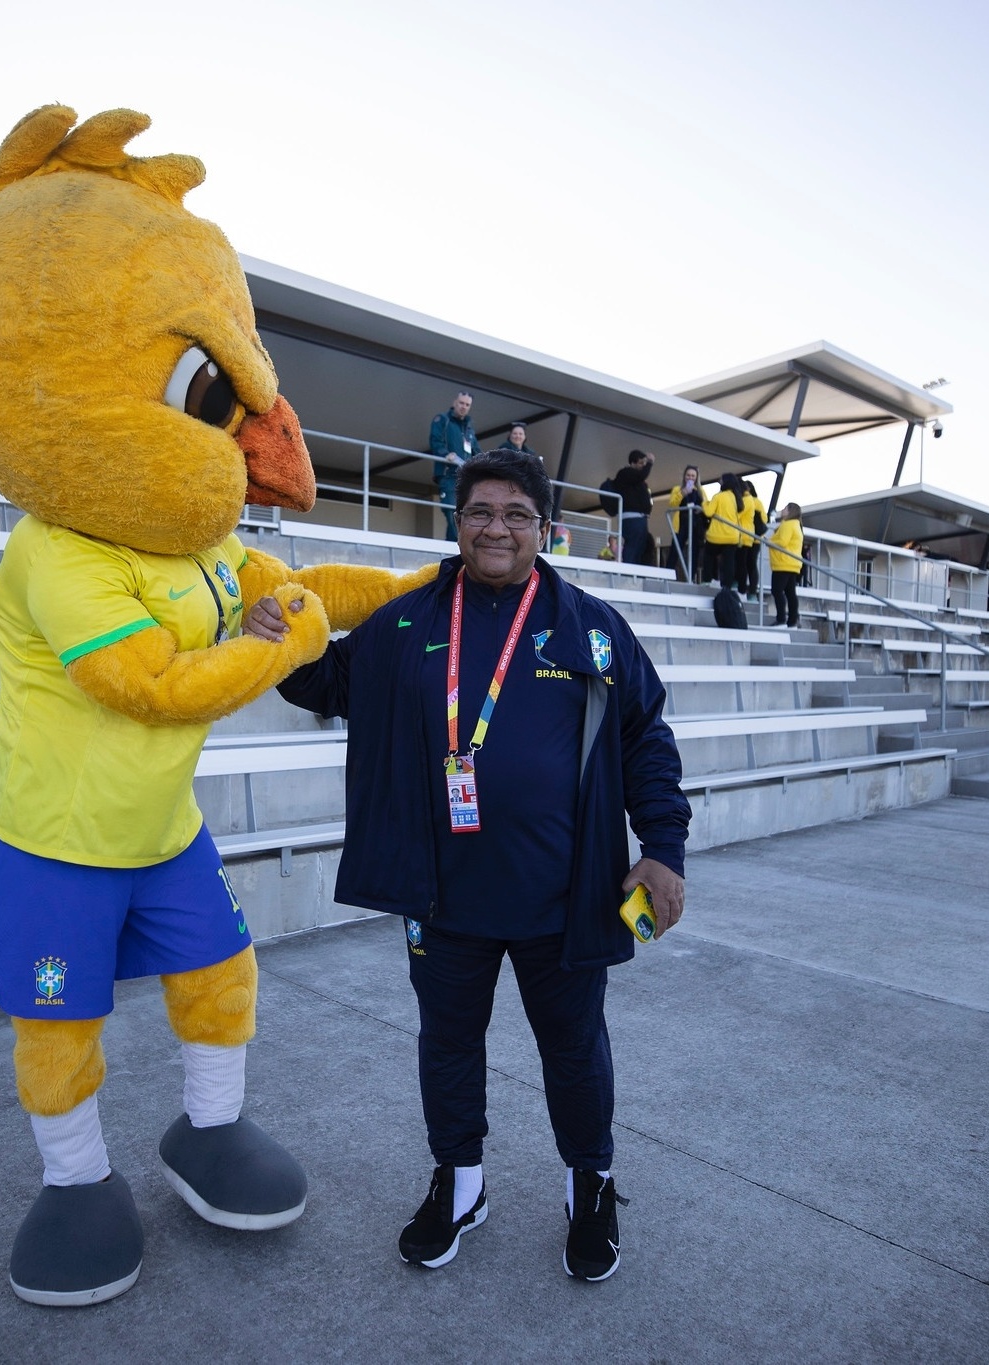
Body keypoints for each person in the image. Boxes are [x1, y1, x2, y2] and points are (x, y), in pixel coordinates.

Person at [252, 449, 690, 1284]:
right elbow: (326, 681)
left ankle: (589, 1184)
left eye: (516, 514)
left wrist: (661, 847)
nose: (497, 527)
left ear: (543, 528)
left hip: (566, 898)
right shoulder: (409, 618)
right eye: (481, 511)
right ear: (458, 523)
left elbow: (646, 739)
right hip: (440, 895)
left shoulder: (590, 626)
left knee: (574, 1049)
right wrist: (279, 637)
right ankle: (459, 1184)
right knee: (447, 1045)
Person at [430, 391, 481, 541]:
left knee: (462, 515)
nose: (464, 407)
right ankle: (460, 545)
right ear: (455, 403)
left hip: (466, 479)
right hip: (448, 474)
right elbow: (435, 441)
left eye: (467, 405)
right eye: (461, 403)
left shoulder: (469, 429)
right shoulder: (442, 420)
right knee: (451, 511)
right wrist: (446, 454)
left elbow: (476, 451)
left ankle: (452, 547)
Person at [608, 449, 656, 567]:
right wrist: (650, 463)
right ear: (632, 463)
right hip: (632, 518)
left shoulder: (636, 479)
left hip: (639, 518)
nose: (643, 466)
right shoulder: (626, 473)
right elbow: (641, 475)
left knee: (640, 545)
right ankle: (629, 570)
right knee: (633, 545)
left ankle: (636, 570)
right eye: (641, 463)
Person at [702, 472, 744, 591]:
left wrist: (705, 503)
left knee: (709, 556)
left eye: (721, 479)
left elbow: (708, 512)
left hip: (717, 535)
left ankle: (707, 580)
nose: (719, 481)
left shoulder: (718, 496)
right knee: (729, 562)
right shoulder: (735, 497)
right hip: (733, 536)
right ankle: (727, 586)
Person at [668, 465, 706, 582]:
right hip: (681, 523)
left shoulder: (700, 491)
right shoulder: (677, 489)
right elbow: (672, 505)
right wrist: (683, 493)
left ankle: (691, 577)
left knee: (694, 552)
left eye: (693, 476)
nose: (690, 478)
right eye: (688, 475)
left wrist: (701, 509)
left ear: (696, 478)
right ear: (684, 477)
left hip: (695, 524)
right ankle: (667, 575)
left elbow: (706, 506)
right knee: (675, 550)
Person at [768, 503, 803, 627]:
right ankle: (792, 620)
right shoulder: (796, 525)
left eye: (785, 508)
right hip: (792, 564)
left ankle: (781, 618)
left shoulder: (788, 524)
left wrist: (769, 542)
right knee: (790, 593)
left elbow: (782, 542)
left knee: (777, 590)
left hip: (783, 563)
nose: (782, 510)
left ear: (790, 511)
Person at [737, 481, 766, 602]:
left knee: (751, 565)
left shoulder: (755, 501)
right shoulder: (744, 500)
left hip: (754, 539)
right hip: (746, 537)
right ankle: (747, 590)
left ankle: (752, 592)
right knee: (743, 564)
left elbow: (763, 520)